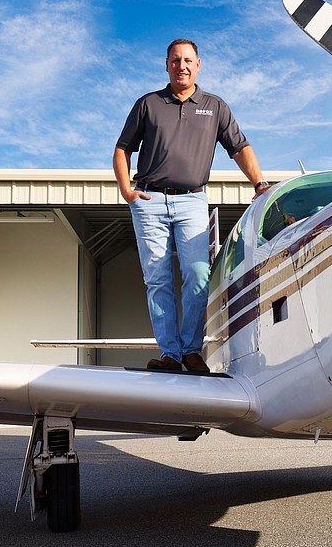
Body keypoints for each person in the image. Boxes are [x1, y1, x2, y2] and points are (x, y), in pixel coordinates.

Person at [113, 39, 269, 373]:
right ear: (166, 64)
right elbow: (123, 148)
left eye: (187, 60)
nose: (181, 66)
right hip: (149, 199)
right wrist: (126, 190)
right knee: (158, 279)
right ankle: (170, 354)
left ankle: (191, 351)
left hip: (192, 201)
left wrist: (259, 184)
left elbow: (239, 147)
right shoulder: (148, 104)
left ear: (198, 64)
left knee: (198, 274)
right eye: (174, 60)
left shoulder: (215, 107)